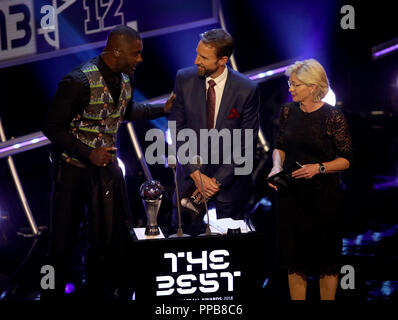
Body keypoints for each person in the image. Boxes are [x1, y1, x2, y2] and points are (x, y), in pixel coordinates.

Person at [42, 25, 175, 299]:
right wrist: (87, 152)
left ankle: (98, 293)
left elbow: (123, 111)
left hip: (105, 173)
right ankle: (50, 295)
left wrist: (161, 108)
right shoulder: (77, 81)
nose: (140, 59)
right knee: (60, 245)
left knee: (106, 241)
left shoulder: (126, 79)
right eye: (136, 54)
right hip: (71, 172)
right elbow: (52, 127)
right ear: (116, 51)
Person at [267, 59, 353, 300]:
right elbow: (280, 146)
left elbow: (346, 159)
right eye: (290, 84)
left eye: (295, 85)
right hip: (292, 198)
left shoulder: (333, 116)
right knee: (295, 262)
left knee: (326, 262)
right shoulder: (287, 111)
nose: (290, 89)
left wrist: (319, 168)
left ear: (313, 87)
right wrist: (276, 166)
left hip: (323, 199)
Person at [170, 28, 260, 235]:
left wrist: (216, 181)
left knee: (230, 251)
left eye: (203, 57)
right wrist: (195, 173)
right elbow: (177, 129)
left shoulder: (247, 89)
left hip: (230, 184)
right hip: (190, 180)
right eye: (197, 53)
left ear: (222, 60)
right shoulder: (184, 78)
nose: (196, 61)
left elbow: (245, 142)